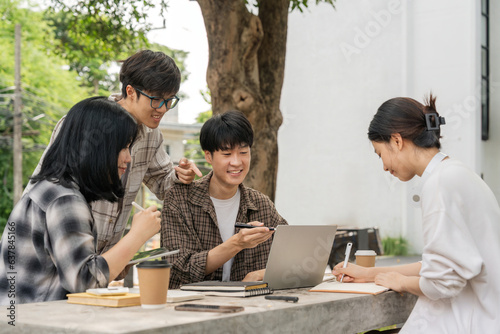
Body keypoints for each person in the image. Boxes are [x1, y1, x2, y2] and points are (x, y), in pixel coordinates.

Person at [332, 94, 500, 333]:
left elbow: (442, 282)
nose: (384, 166)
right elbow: (438, 265)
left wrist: (400, 282)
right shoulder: (457, 174)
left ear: (397, 140)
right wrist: (369, 273)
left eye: (380, 154)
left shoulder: (440, 184)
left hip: (474, 321)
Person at [26, 50, 202, 256]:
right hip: (52, 252)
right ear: (130, 91)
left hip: (99, 262)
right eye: (156, 99)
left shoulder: (151, 135)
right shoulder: (85, 124)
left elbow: (164, 184)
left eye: (170, 100)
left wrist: (181, 176)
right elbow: (49, 188)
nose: (163, 109)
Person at [0, 97, 161, 304]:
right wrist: (137, 235)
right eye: (123, 147)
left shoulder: (52, 188)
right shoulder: (65, 199)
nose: (128, 158)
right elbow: (85, 281)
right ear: (98, 148)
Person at [161, 110, 288, 289]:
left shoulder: (260, 204)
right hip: (192, 309)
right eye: (227, 154)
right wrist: (236, 243)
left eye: (243, 152)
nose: (236, 162)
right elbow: (177, 270)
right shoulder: (180, 200)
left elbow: (291, 258)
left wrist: (259, 275)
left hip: (251, 307)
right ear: (208, 157)